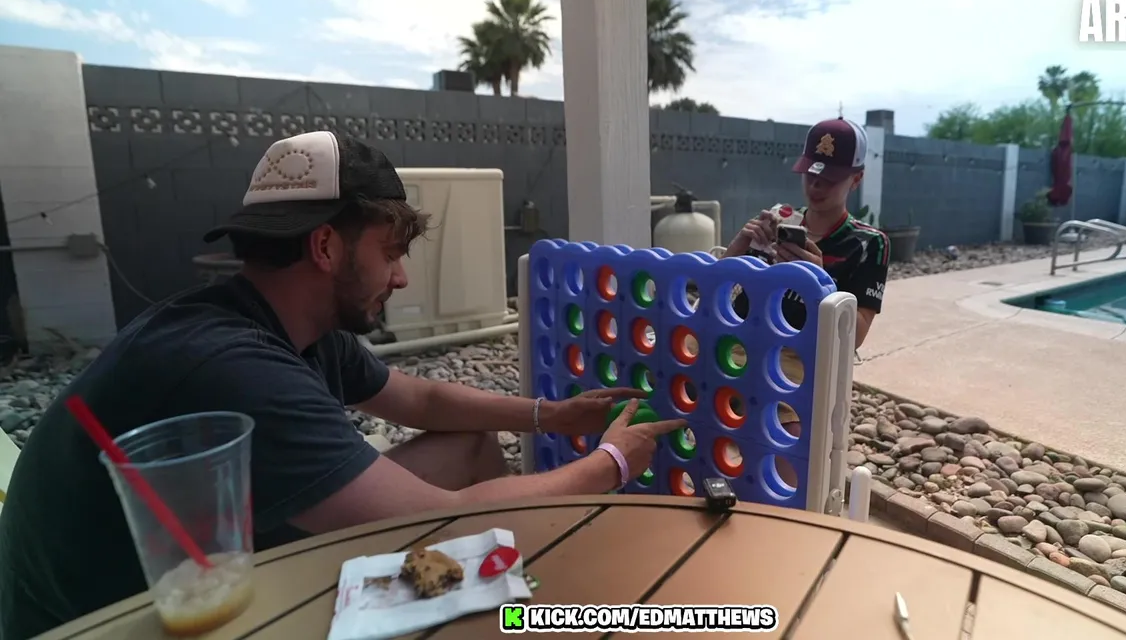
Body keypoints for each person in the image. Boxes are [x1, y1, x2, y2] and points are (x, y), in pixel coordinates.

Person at [0, 131, 685, 639]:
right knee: (454, 530)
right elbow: (447, 517)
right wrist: (612, 462)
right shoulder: (233, 367)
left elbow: (422, 399)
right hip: (119, 620)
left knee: (469, 444)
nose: (401, 277)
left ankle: (477, 608)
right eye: (391, 253)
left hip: (201, 567)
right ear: (326, 247)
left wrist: (552, 415)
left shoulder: (285, 323)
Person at [721, 117, 888, 483]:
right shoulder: (780, 222)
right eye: (811, 174)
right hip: (733, 344)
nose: (816, 185)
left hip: (793, 362)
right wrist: (740, 245)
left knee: (789, 458)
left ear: (856, 179)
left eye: (830, 178)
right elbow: (713, 293)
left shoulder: (866, 244)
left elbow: (856, 336)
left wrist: (820, 282)